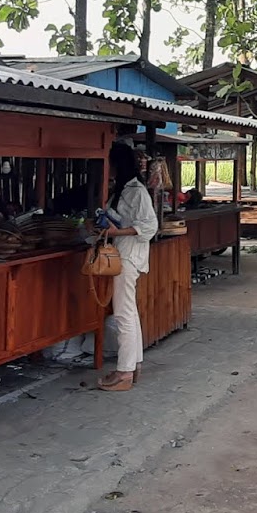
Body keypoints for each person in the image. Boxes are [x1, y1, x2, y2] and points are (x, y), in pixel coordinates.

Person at [95, 141, 160, 392]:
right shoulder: (123, 190)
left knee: (123, 313)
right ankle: (134, 366)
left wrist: (117, 232)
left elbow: (150, 226)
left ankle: (124, 373)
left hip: (128, 257)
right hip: (124, 254)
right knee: (128, 312)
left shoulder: (137, 192)